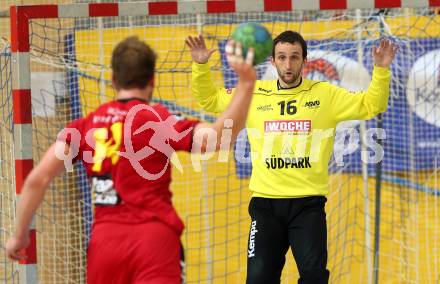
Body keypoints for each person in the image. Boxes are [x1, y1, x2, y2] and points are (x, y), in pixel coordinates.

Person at [6, 36, 256, 284]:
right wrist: (245, 85)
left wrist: (19, 235)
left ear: (114, 79)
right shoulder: (157, 119)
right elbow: (218, 138)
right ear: (152, 80)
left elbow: (37, 180)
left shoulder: (85, 125)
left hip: (105, 244)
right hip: (153, 239)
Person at [186, 31, 397, 284]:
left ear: (304, 61)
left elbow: (372, 104)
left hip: (308, 205)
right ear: (272, 61)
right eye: (282, 57)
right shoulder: (252, 93)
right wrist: (200, 65)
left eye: (294, 57)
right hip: (266, 205)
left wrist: (381, 70)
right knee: (258, 279)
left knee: (315, 277)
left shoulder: (325, 95)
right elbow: (209, 99)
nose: (288, 64)